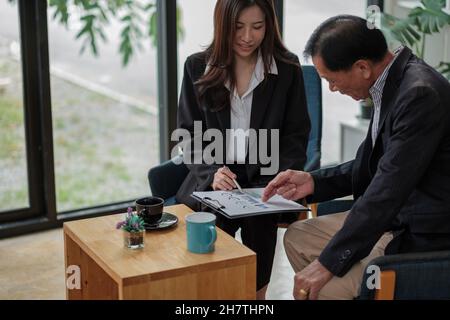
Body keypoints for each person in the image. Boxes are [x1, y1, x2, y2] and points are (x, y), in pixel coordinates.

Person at [262, 15, 450, 300]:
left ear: (362, 67)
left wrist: (326, 265)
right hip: (394, 217)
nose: (332, 89)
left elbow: (387, 189)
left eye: (332, 80)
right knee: (298, 237)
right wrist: (313, 181)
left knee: (315, 286)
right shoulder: (389, 82)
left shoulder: (418, 94)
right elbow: (375, 166)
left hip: (419, 232)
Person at [175, 0, 310, 299]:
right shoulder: (197, 66)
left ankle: (256, 297)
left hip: (265, 177)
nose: (248, 36)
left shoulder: (286, 68)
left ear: (269, 27)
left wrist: (280, 174)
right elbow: (188, 134)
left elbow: (296, 134)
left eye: (258, 27)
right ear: (223, 25)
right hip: (216, 178)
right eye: (238, 27)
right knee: (212, 244)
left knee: (260, 234)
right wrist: (211, 173)